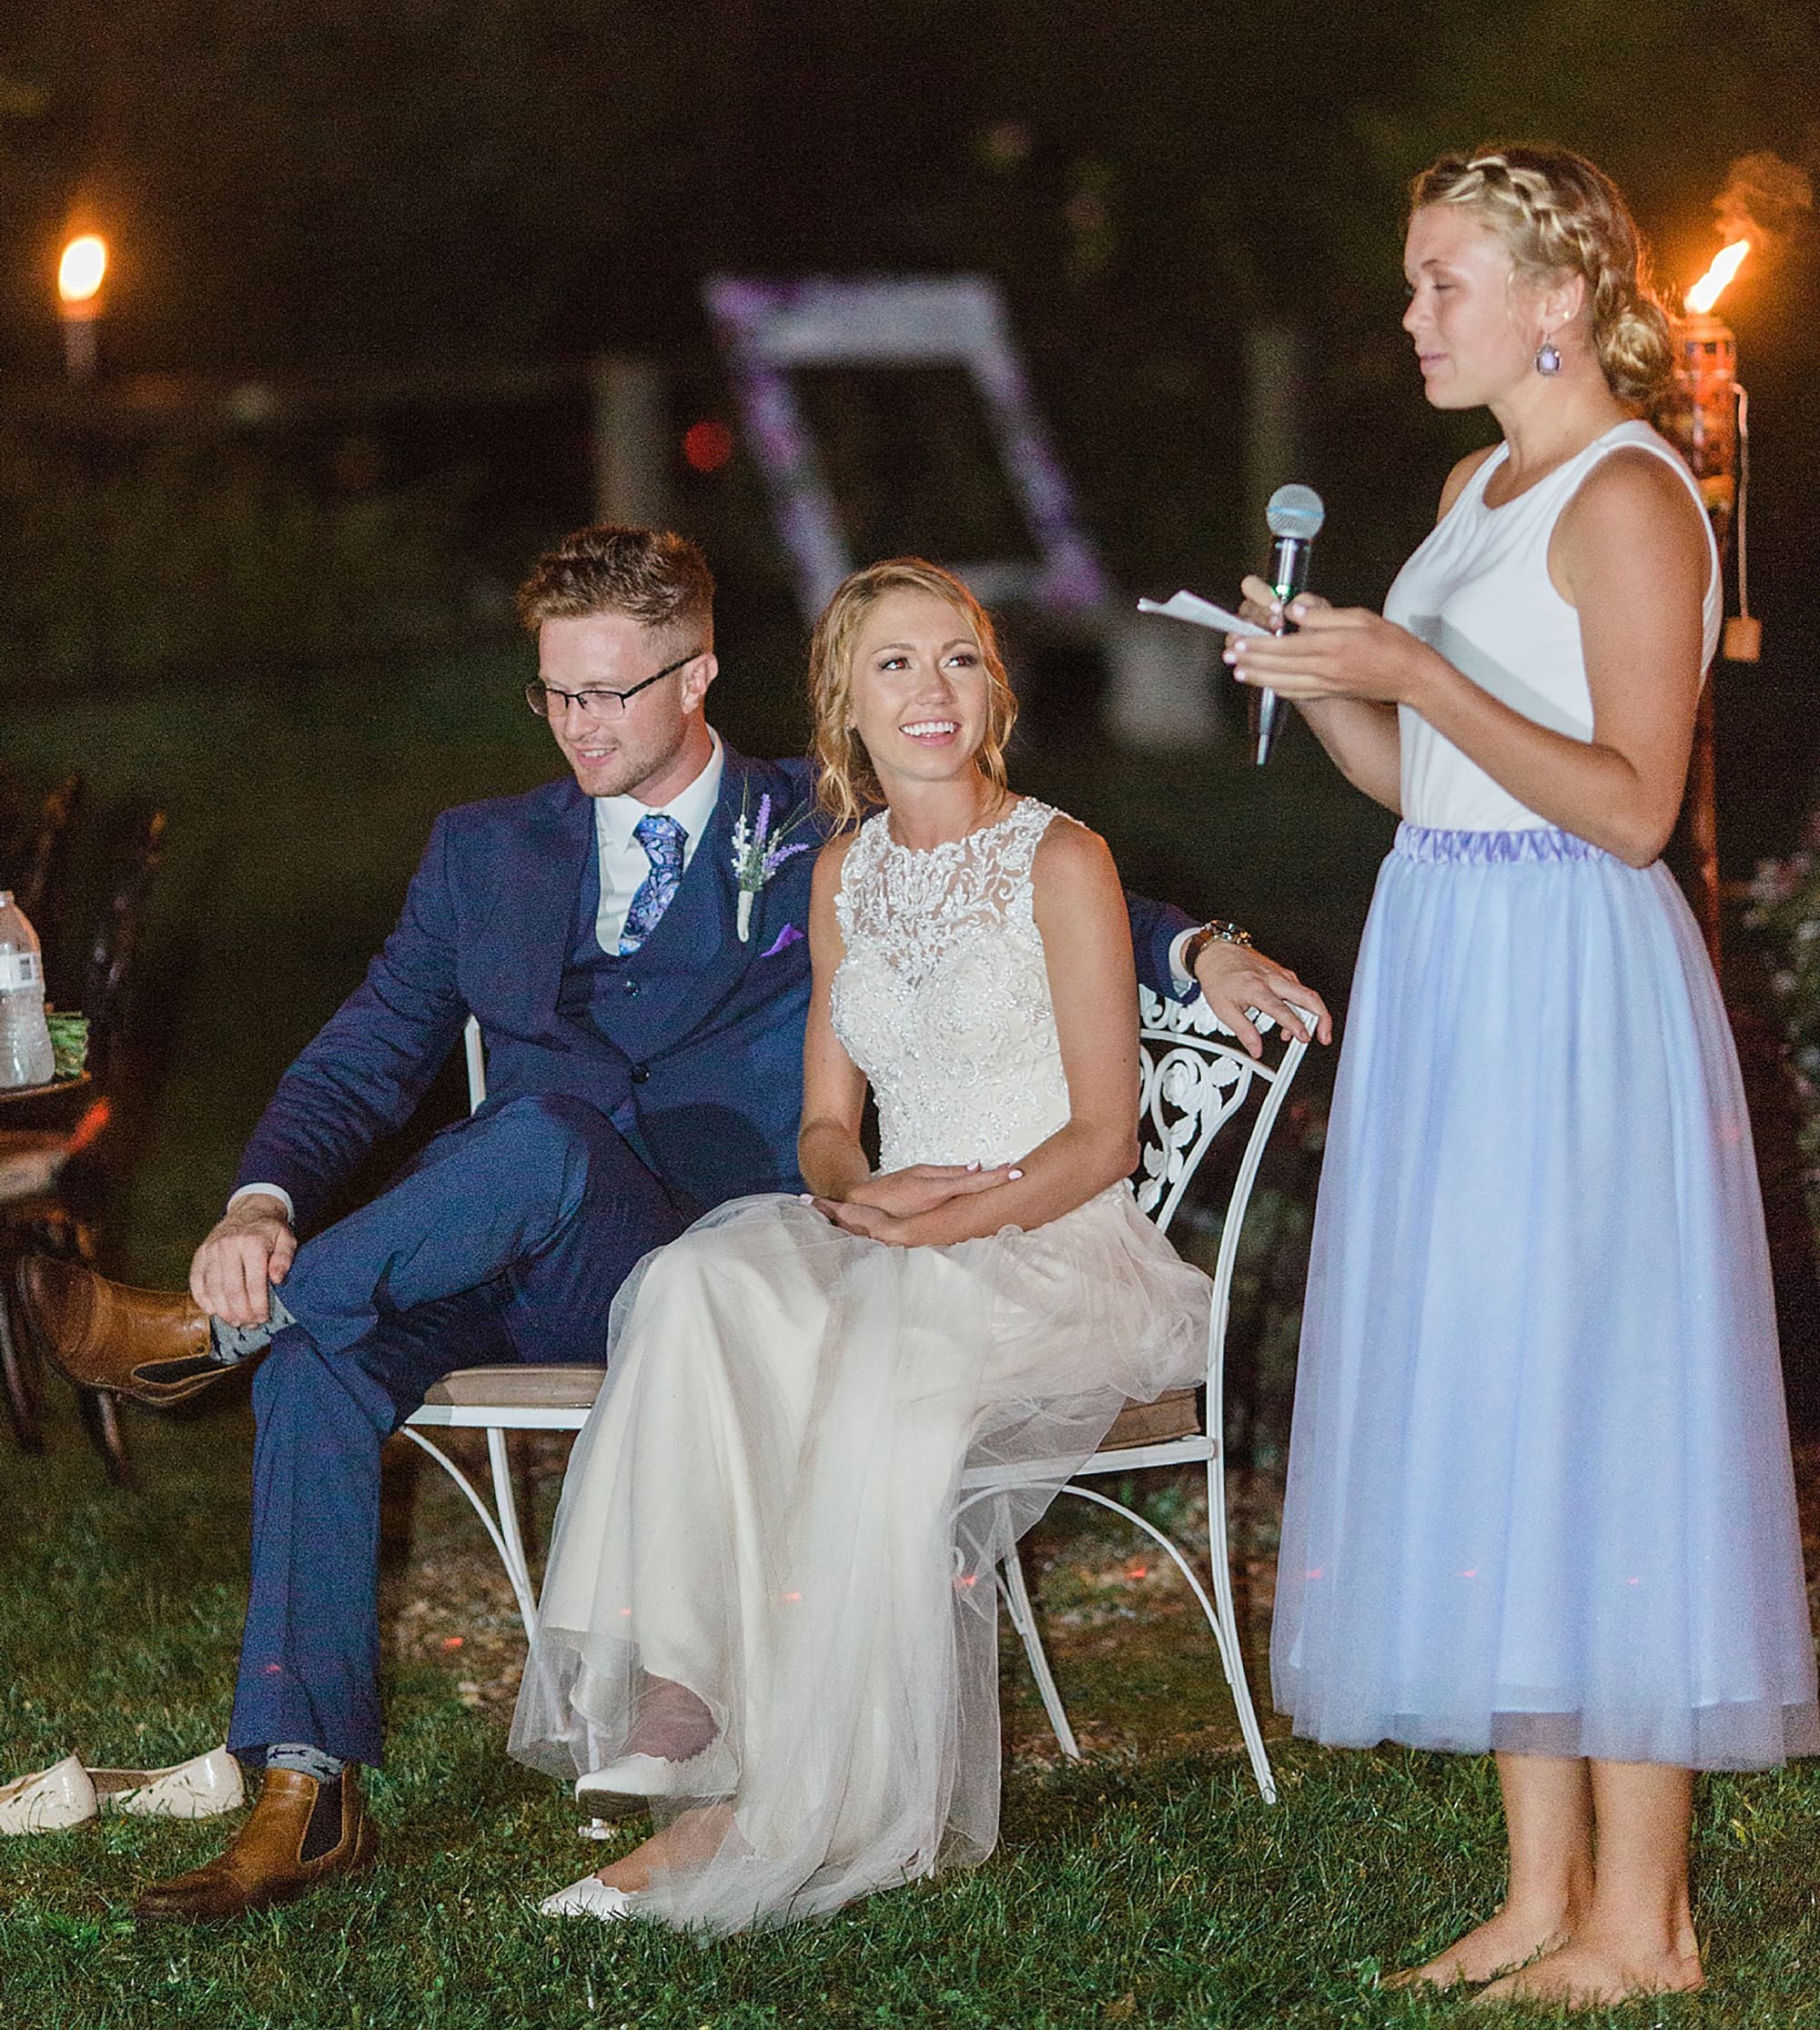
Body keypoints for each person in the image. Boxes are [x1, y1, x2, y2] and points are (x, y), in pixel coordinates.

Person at [22, 523, 1324, 1923]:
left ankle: (210, 1328)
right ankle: (302, 1783)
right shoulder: (483, 854)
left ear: (697, 674)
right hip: (511, 1255)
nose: (580, 726)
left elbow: (1015, 877)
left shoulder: (812, 822)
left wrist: (1197, 943)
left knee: (534, 1134)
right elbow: (367, 1051)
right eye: (556, 694)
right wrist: (260, 1200)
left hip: (725, 1280)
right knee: (336, 1346)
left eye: (613, 693)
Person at [1227, 146, 1817, 2007]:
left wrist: (1415, 662)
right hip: (1452, 958)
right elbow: (1435, 782)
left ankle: (1647, 1923)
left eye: (1439, 281)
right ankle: (1536, 1890)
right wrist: (1325, 679)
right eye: (1412, 285)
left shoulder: (1634, 496)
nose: (1413, 317)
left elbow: (1632, 805)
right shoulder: (1469, 483)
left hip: (1573, 978)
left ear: (1555, 297)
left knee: (1599, 1406)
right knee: (1492, 1392)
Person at [515, 557, 1239, 1931]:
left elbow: (1103, 1138)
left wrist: (943, 1215)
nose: (931, 692)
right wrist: (857, 1198)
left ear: (993, 686)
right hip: (902, 1224)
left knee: (881, 1381)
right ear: (843, 699)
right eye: (895, 664)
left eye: (957, 659)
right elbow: (824, 1124)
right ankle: (683, 1692)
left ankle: (796, 1800)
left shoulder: (1062, 856)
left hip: (1052, 1239)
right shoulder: (843, 874)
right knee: (693, 1283)